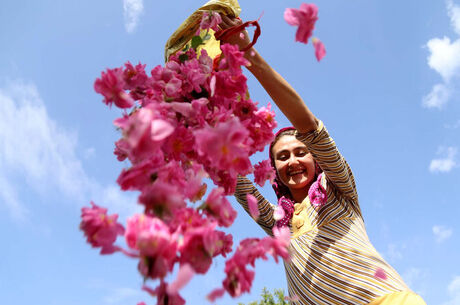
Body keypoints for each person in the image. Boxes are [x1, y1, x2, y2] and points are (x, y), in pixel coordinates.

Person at [217, 15, 427, 305]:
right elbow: (236, 181)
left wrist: (247, 53)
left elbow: (308, 125)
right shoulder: (278, 223)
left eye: (301, 151)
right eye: (282, 156)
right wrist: (203, 113)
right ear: (275, 170)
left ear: (317, 160)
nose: (292, 160)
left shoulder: (340, 189)